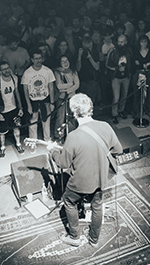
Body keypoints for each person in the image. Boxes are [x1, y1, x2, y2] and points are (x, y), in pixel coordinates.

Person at [47, 94, 122, 248]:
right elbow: (118, 150)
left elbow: (63, 163)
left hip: (80, 183)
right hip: (100, 178)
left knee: (68, 201)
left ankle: (74, 237)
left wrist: (53, 152)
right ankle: (94, 240)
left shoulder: (73, 136)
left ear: (73, 113)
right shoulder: (105, 126)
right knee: (97, 205)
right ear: (91, 109)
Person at [0, 62, 25, 155]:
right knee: (2, 131)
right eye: (4, 69)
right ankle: (2, 147)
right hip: (2, 111)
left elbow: (16, 93)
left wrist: (20, 107)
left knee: (16, 128)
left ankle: (18, 144)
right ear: (0, 71)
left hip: (13, 108)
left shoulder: (14, 78)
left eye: (8, 68)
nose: (7, 70)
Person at [22, 51, 56, 144]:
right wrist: (28, 105)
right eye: (36, 58)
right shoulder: (27, 72)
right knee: (32, 122)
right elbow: (25, 90)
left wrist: (52, 103)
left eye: (40, 58)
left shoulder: (48, 71)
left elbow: (51, 88)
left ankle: (47, 139)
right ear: (32, 60)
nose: (38, 60)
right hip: (33, 101)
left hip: (45, 100)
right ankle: (33, 142)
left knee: (46, 121)